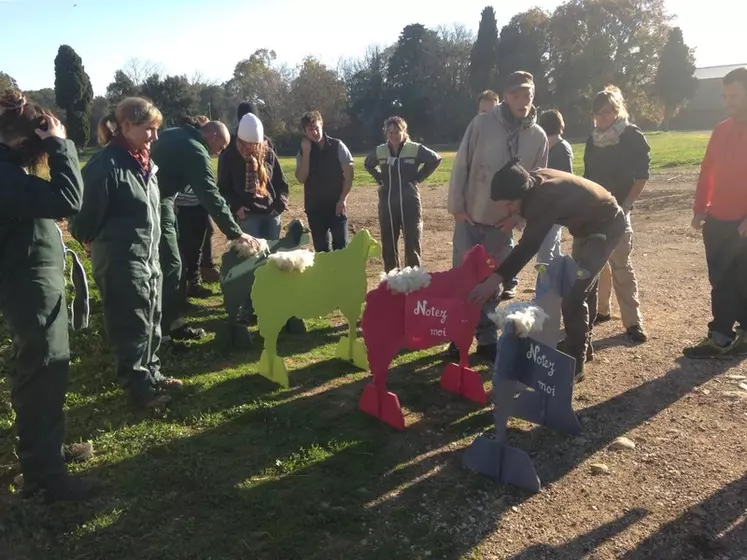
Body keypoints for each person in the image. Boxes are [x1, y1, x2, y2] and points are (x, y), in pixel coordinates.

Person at [0, 89, 98, 502]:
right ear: (25, 140)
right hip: (28, 287)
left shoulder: (10, 172)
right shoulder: (4, 174)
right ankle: (45, 476)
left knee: (42, 372)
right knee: (44, 371)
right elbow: (67, 198)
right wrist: (59, 145)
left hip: (31, 283)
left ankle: (45, 455)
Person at [70, 97, 183, 410]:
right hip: (122, 260)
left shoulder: (143, 161)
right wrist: (88, 238)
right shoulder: (107, 166)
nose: (155, 136)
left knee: (152, 316)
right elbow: (83, 215)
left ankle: (153, 372)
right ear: (126, 126)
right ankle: (138, 389)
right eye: (150, 129)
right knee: (130, 323)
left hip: (149, 257)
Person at [467, 160, 626, 381]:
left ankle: (574, 363)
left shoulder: (544, 198)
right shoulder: (531, 181)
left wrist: (495, 279)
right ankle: (582, 345)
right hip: (587, 225)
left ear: (521, 195)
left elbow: (528, 246)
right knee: (584, 287)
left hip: (607, 226)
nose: (507, 210)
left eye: (509, 205)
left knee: (574, 292)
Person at [447, 70, 548, 362]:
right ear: (505, 96)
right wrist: (457, 208)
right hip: (471, 216)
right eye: (516, 95)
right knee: (463, 279)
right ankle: (459, 337)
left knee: (491, 283)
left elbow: (538, 184)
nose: (522, 100)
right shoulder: (481, 124)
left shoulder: (538, 137)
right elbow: (461, 166)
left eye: (527, 95)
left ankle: (487, 339)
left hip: (503, 224)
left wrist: (518, 220)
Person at [150, 117, 260, 344]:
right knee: (170, 264)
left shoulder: (174, 133)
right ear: (212, 136)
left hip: (160, 200)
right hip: (157, 203)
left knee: (171, 262)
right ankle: (164, 330)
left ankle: (171, 320)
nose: (219, 153)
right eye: (220, 148)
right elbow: (210, 193)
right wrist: (234, 232)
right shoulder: (195, 151)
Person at [684, 67, 747, 358]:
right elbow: (707, 171)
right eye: (725, 96)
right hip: (717, 219)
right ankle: (720, 336)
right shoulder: (721, 129)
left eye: (734, 95)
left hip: (743, 222)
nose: (728, 101)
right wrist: (700, 209)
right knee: (720, 279)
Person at [583, 86, 649, 343]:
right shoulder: (592, 140)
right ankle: (602, 310)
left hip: (621, 209)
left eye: (607, 112)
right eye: (597, 114)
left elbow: (642, 175)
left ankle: (633, 322)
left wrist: (628, 204)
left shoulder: (631, 135)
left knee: (621, 263)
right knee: (598, 262)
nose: (602, 118)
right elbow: (588, 177)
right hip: (597, 209)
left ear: (617, 110)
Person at [364, 116, 442, 271]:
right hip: (387, 201)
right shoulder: (381, 150)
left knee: (412, 240)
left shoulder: (415, 148)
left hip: (410, 201)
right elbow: (368, 164)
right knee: (388, 240)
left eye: (397, 131)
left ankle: (413, 277)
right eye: (390, 132)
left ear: (404, 131)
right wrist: (380, 178)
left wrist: (418, 178)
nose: (393, 136)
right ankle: (392, 277)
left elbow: (435, 160)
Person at [219, 112, 288, 240]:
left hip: (271, 214)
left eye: (256, 144)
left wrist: (280, 205)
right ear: (241, 141)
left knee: (271, 256)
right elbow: (223, 188)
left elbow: (281, 182)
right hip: (247, 216)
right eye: (248, 144)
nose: (253, 147)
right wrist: (237, 207)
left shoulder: (268, 153)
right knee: (252, 256)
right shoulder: (229, 156)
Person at [295, 110, 354, 252]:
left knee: (341, 249)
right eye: (310, 129)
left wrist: (343, 199)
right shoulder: (302, 152)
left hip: (336, 206)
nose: (315, 132)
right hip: (315, 209)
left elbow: (349, 174)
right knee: (322, 251)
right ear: (305, 132)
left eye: (317, 128)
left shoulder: (337, 146)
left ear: (322, 126)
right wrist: (307, 153)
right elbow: (301, 178)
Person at [174, 115, 215, 300]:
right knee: (182, 247)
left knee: (198, 245)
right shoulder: (187, 149)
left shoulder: (200, 150)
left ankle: (195, 281)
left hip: (199, 204)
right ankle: (180, 287)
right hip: (181, 206)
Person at [536, 109, 574, 263]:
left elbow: (566, 182)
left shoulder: (561, 149)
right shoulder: (549, 147)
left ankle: (547, 285)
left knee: (545, 254)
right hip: (547, 208)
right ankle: (557, 284)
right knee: (552, 250)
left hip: (555, 208)